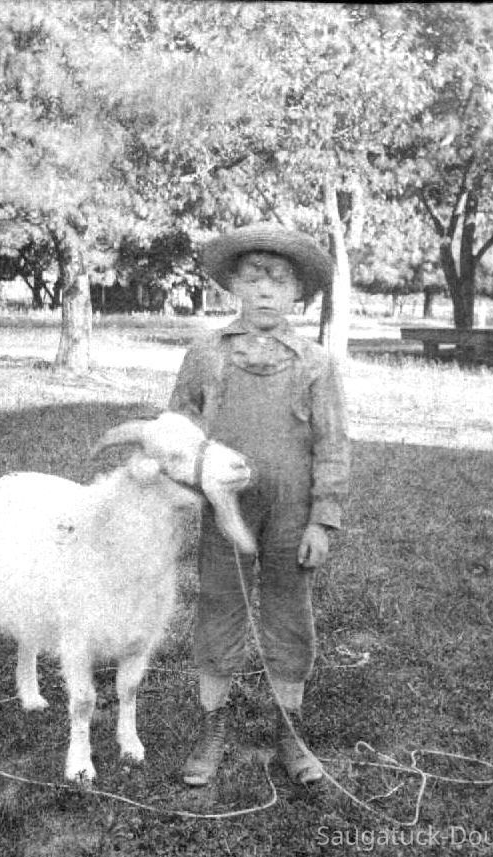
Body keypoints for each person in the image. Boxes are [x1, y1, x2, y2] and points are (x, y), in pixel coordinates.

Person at [169, 224, 352, 786]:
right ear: (234, 287)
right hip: (226, 511)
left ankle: (289, 732)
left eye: (279, 281)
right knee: (219, 606)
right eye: (253, 279)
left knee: (288, 612)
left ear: (298, 293)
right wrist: (190, 481)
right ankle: (212, 729)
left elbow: (332, 445)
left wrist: (322, 520)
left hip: (291, 511)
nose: (266, 291)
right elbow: (177, 429)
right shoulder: (207, 354)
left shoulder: (315, 362)